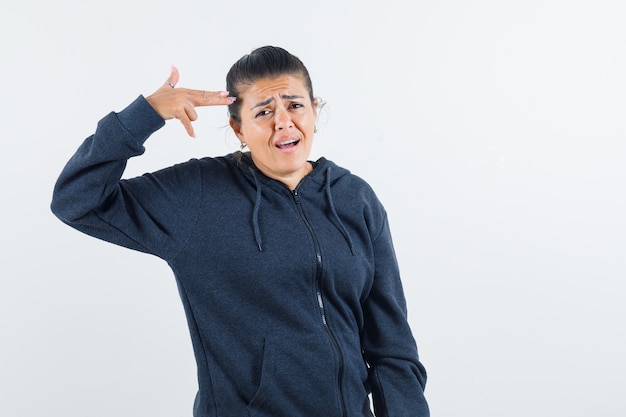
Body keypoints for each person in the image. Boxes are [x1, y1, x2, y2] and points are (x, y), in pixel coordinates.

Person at [51, 45, 429, 417]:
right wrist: (144, 115)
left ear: (315, 111)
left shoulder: (355, 199)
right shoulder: (199, 195)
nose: (283, 121)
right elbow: (77, 199)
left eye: (295, 105)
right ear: (239, 129)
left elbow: (391, 346)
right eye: (264, 111)